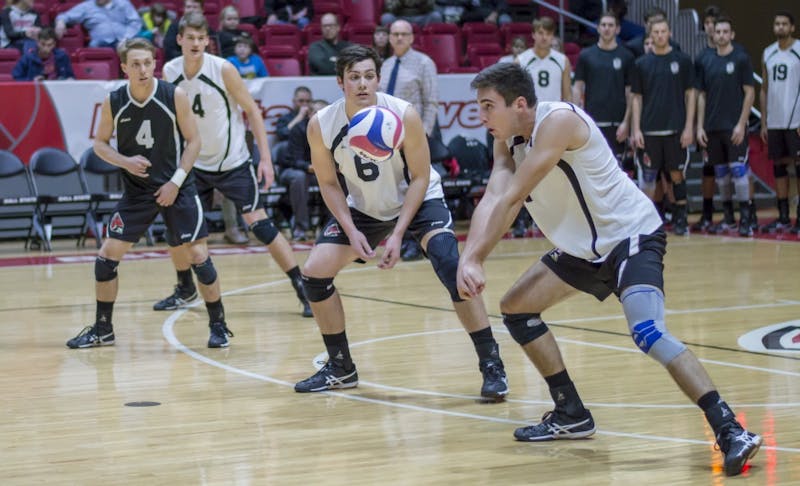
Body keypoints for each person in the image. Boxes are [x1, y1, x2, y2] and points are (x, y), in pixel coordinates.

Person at [457, 61, 762, 477]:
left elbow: (513, 198)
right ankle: (571, 413)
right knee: (517, 310)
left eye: (488, 106)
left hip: (629, 238)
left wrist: (476, 258)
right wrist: (467, 256)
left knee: (648, 332)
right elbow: (493, 196)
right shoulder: (505, 141)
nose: (482, 116)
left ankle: (730, 430)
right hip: (583, 250)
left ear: (521, 104)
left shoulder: (558, 121)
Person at [293, 45, 508, 400]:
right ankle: (341, 367)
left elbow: (421, 177)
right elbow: (329, 184)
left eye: (369, 76)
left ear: (378, 78)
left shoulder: (403, 114)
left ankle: (491, 364)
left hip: (418, 200)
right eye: (354, 77)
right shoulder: (322, 124)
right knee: (315, 274)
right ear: (340, 82)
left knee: (450, 265)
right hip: (365, 207)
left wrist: (396, 235)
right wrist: (351, 229)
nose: (362, 84)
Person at [66, 38, 234, 349]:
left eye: (147, 63)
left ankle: (219, 325)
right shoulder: (114, 101)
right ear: (124, 68)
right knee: (105, 258)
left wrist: (175, 182)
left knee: (198, 256)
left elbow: (194, 142)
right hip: (137, 192)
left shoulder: (174, 95)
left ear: (154, 63)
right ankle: (103, 329)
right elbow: (100, 145)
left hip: (177, 187)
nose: (143, 69)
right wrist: (125, 161)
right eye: (136, 64)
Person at [160, 12, 312, 318]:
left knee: (262, 226)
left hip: (232, 161)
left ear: (208, 41)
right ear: (179, 40)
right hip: (194, 164)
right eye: (189, 37)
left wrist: (266, 160)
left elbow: (253, 113)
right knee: (178, 229)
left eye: (201, 38)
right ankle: (184, 287)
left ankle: (302, 287)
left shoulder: (223, 69)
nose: (195, 43)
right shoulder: (169, 70)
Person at [380, 19, 439, 261]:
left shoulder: (424, 63)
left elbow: (431, 102)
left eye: (404, 34)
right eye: (395, 34)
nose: (399, 38)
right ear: (389, 37)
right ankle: (400, 239)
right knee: (396, 189)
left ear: (412, 37)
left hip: (412, 138)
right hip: (386, 139)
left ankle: (417, 242)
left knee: (415, 186)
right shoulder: (384, 65)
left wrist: (423, 135)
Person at [631, 17, 695, 235]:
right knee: (648, 177)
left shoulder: (683, 61)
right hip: (649, 130)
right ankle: (647, 222)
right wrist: (636, 129)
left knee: (677, 175)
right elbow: (636, 98)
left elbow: (691, 95)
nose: (659, 35)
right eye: (655, 32)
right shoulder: (641, 64)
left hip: (676, 130)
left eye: (663, 31)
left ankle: (681, 219)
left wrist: (689, 127)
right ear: (650, 35)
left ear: (669, 33)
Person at [695, 16, 755, 237]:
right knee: (721, 175)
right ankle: (729, 218)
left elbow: (750, 92)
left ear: (732, 34)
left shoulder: (741, 58)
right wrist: (700, 126)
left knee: (739, 171)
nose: (720, 35)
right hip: (712, 127)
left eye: (724, 31)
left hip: (734, 127)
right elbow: (701, 95)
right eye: (717, 31)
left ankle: (746, 219)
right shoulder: (706, 60)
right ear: (713, 34)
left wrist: (741, 124)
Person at [572, 11, 634, 163]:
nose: (607, 28)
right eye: (603, 25)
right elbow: (577, 88)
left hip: (618, 124)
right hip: (592, 122)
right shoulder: (586, 55)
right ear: (598, 28)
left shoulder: (627, 56)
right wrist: (576, 117)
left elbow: (630, 93)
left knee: (618, 168)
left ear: (617, 29)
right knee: (592, 165)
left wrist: (627, 122)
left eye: (611, 25)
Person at [759, 11, 800, 234]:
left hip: (796, 121)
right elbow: (764, 89)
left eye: (785, 23)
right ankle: (783, 217)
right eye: (777, 23)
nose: (780, 27)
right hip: (775, 121)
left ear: (792, 27)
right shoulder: (768, 52)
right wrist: (764, 121)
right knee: (779, 168)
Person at [278, 98, 328, 241]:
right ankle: (301, 227)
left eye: (324, 113)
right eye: (317, 112)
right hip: (292, 170)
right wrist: (310, 167)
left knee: (340, 176)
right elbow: (293, 160)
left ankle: (327, 226)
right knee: (299, 177)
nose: (320, 116)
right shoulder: (299, 129)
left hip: (317, 172)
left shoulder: (332, 130)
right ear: (309, 114)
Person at [518, 17, 572, 103]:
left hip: (554, 112)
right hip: (530, 113)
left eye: (548, 34)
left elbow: (567, 95)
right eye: (540, 33)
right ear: (533, 34)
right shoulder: (521, 60)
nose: (544, 37)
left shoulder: (563, 60)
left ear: (553, 36)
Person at [55, 0, 142, 48]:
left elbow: (135, 22)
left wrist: (126, 38)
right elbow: (65, 16)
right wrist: (60, 22)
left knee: (141, 47)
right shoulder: (86, 6)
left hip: (125, 40)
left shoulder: (123, 3)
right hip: (100, 43)